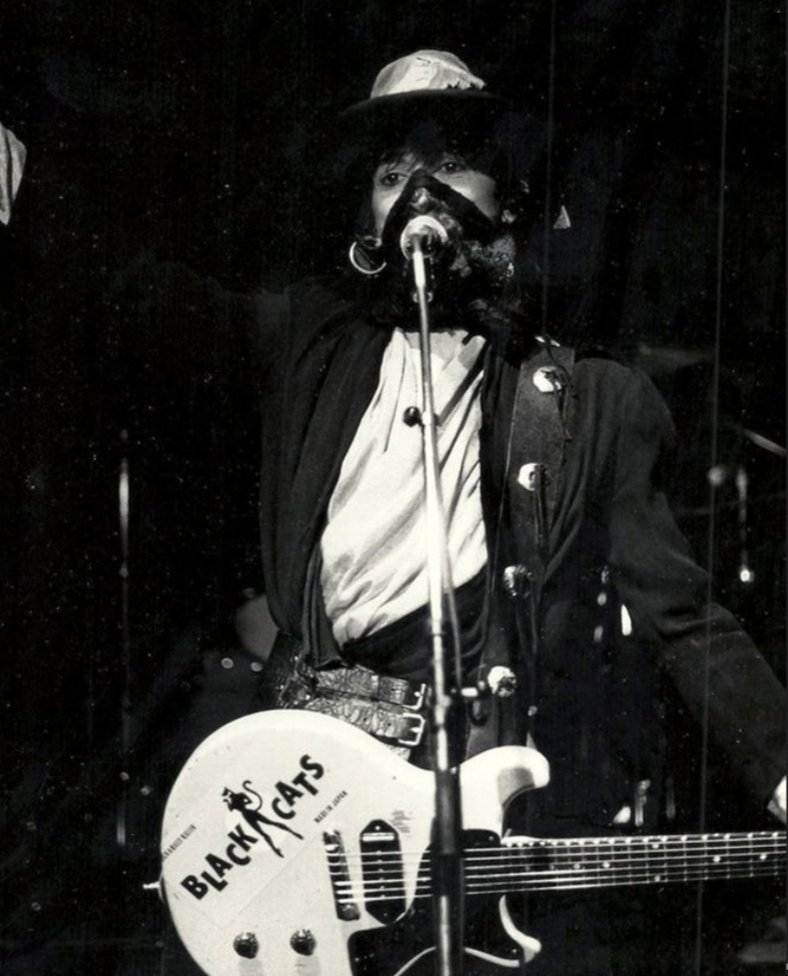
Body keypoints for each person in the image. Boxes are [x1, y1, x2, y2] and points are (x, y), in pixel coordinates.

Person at [3, 51, 785, 975]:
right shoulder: (310, 343)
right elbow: (147, 300)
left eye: (450, 163)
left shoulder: (594, 402)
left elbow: (684, 614)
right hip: (299, 793)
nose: (418, 190)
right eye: (389, 173)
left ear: (510, 201)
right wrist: (26, 183)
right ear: (369, 221)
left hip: (465, 793)